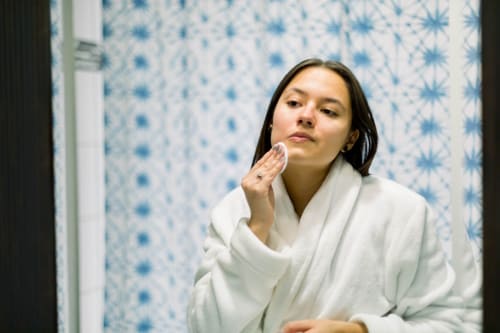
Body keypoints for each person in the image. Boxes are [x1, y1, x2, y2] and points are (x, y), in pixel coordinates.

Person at [187, 58, 480, 332]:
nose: (306, 116)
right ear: (271, 121)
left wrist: (360, 331)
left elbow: (448, 323)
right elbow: (205, 326)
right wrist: (257, 229)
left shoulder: (401, 211)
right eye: (293, 103)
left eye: (328, 111)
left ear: (350, 137)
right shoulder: (233, 209)